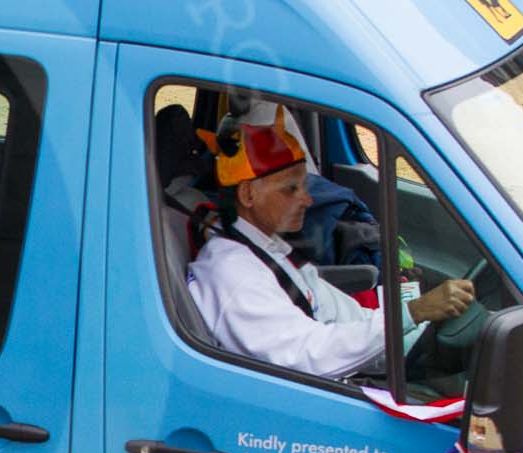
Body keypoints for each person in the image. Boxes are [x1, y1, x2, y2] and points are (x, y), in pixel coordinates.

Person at [187, 101, 473, 379]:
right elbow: (304, 356)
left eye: (304, 185)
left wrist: (402, 320)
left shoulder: (264, 247)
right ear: (248, 195)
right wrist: (412, 314)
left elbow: (334, 311)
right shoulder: (236, 277)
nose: (308, 199)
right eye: (291, 189)